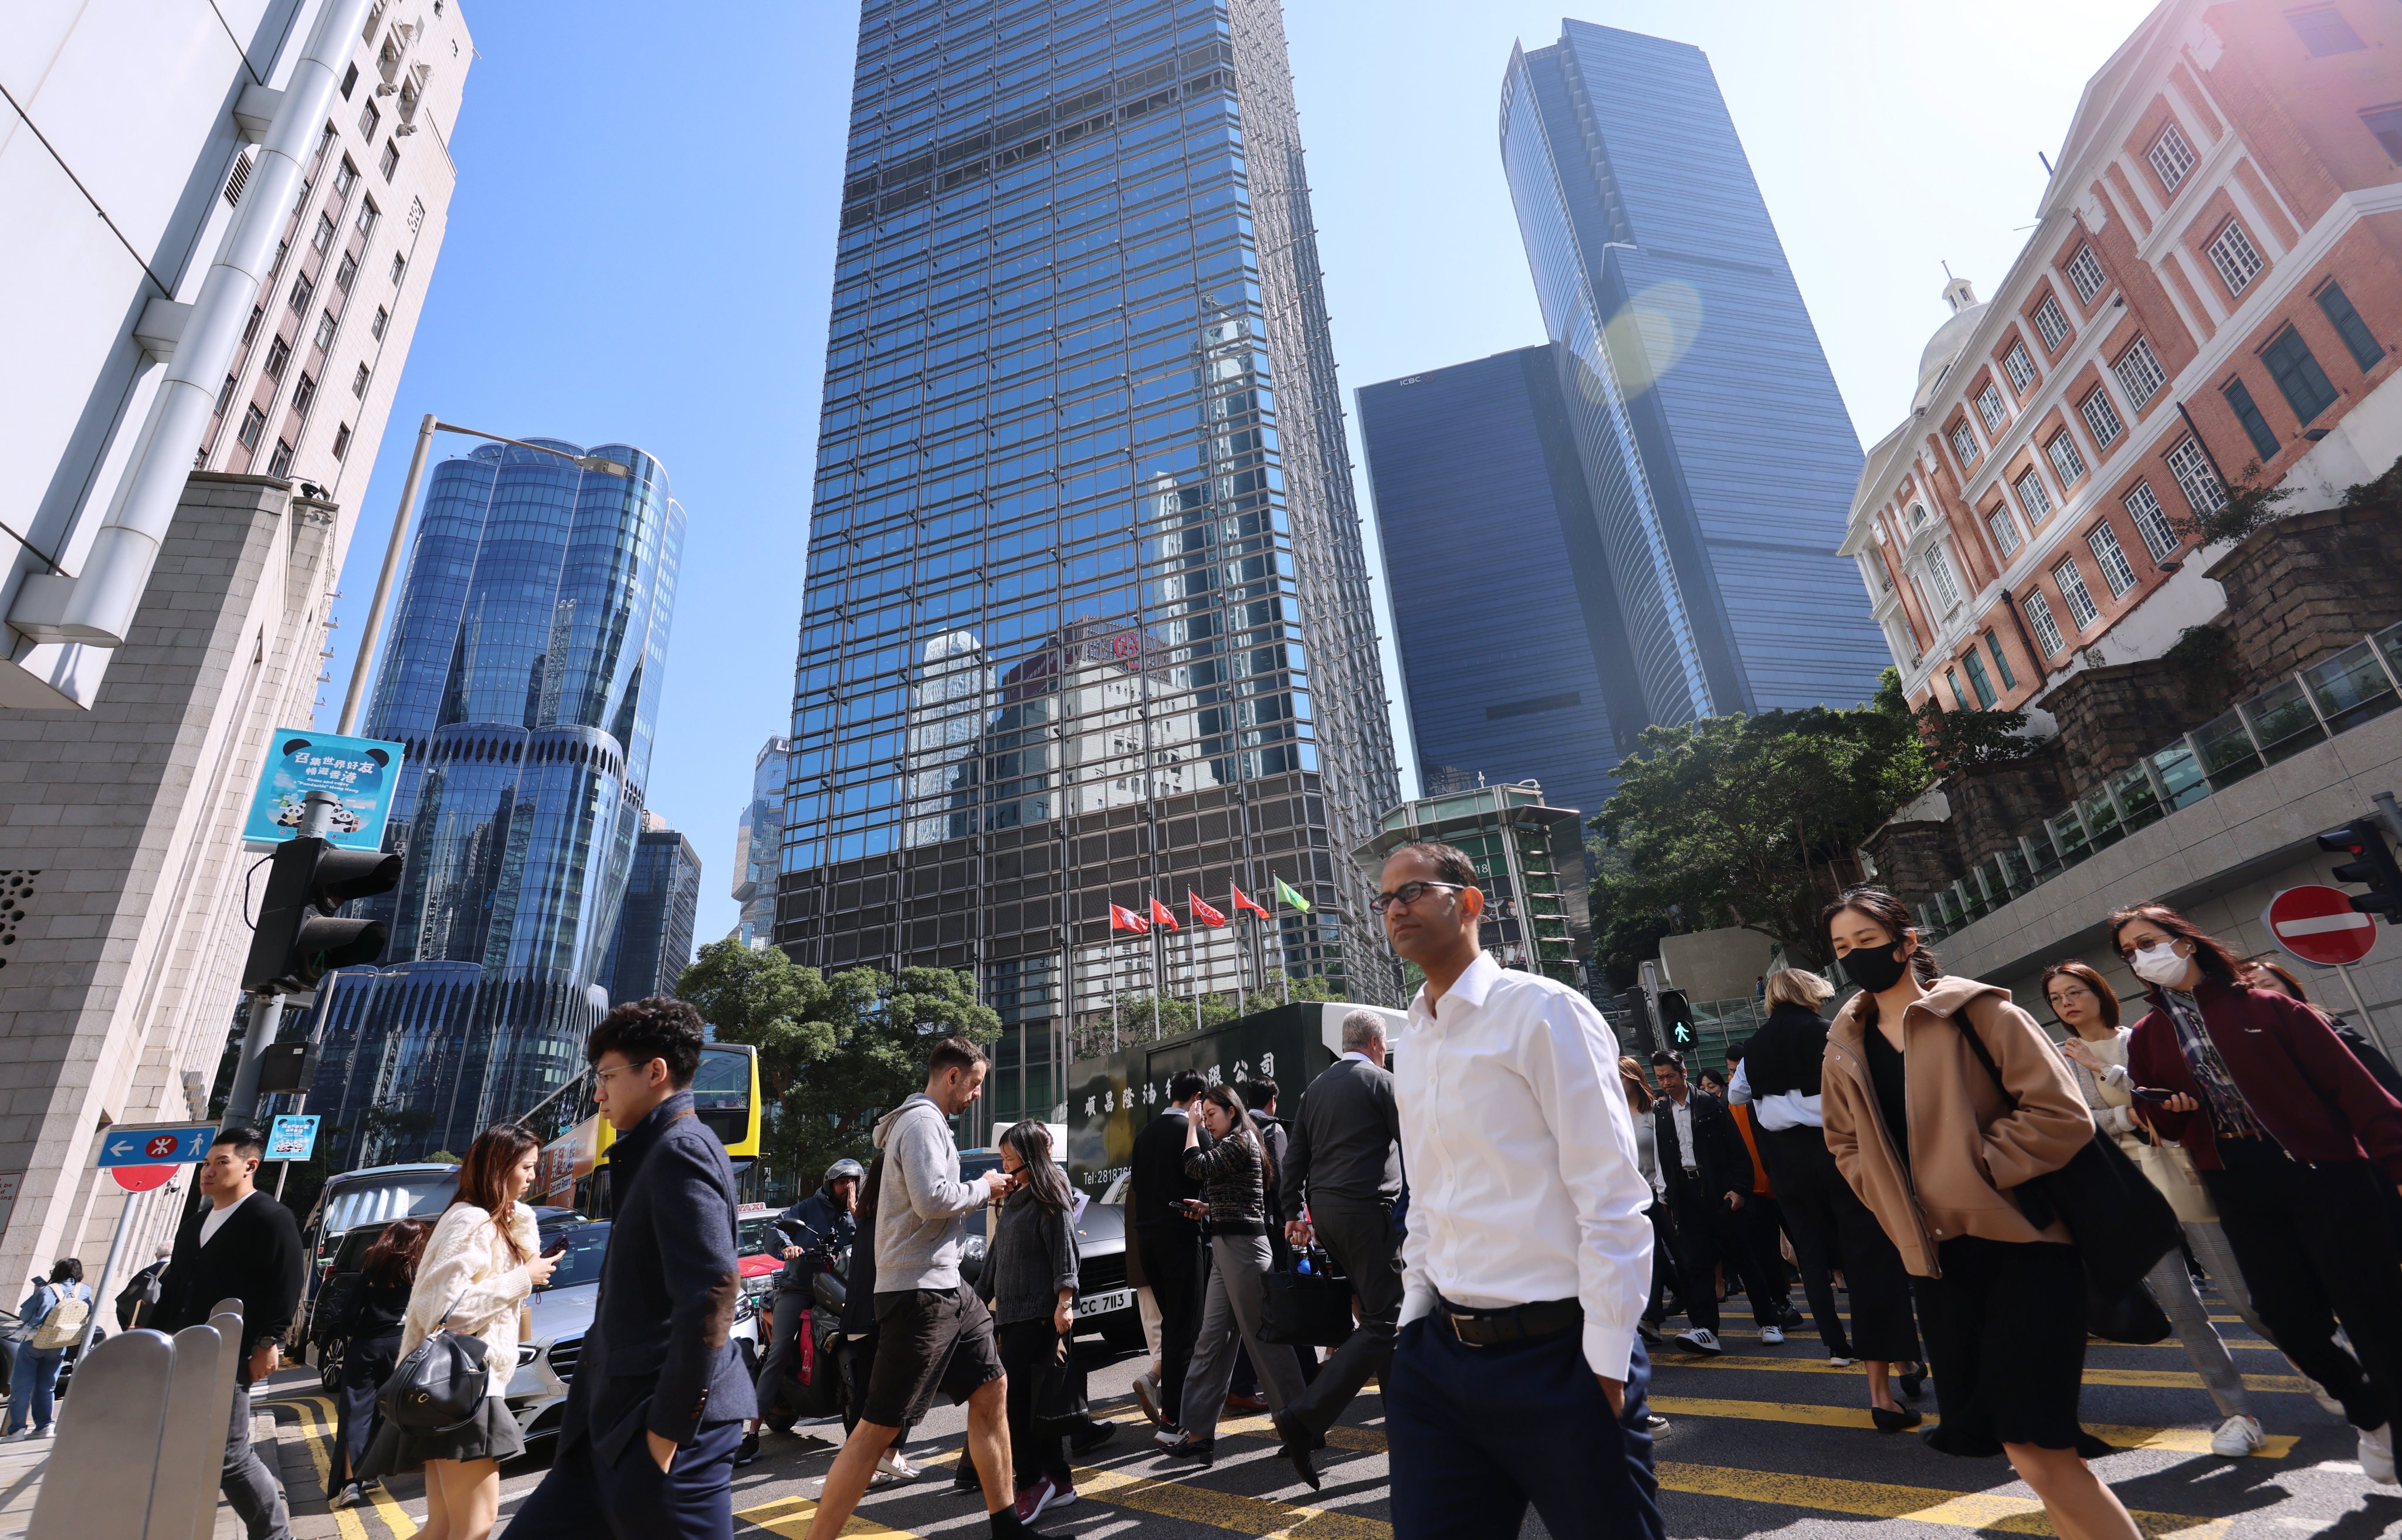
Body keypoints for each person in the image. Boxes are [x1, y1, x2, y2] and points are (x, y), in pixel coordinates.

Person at [1821, 887, 2139, 1540]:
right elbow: (1843, 1142)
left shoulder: (1980, 1010)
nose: (1856, 956)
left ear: (1906, 942)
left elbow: (2060, 1113)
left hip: (2026, 1243)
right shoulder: (1842, 1044)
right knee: (2022, 1449)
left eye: (1867, 941)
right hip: (1938, 1262)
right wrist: (1890, 1193)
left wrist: (1975, 1172)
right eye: (1841, 949)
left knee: (2039, 1440)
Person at [1378, 842, 1663, 1540]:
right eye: (1385, 899)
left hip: (1560, 1356)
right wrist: (1414, 1320)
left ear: (1469, 902)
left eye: (1412, 891)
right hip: (1438, 1360)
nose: (1395, 909)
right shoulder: (1410, 1037)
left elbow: (1612, 1195)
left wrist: (1604, 1356)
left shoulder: (1543, 1012)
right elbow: (1427, 1191)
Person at [2110, 904, 2402, 1486]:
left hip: (2328, 1172)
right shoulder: (2148, 1035)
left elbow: (2356, 1089)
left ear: (2185, 942)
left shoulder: (2266, 1006)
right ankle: (2370, 1412)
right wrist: (2167, 1111)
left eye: (2149, 941)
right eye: (2130, 952)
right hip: (2236, 1180)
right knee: (2284, 1316)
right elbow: (2157, 1123)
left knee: (2376, 1315)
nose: (2143, 957)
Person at [509, 998, 760, 1540]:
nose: (597, 1093)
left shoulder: (680, 1149)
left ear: (655, 1072)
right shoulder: (652, 1149)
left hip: (661, 1430)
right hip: (608, 1426)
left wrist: (665, 1435)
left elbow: (712, 1290)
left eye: (606, 1077)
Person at [804, 1037, 1042, 1540]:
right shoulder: (920, 1123)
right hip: (920, 1295)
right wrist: (988, 1187)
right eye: (975, 1084)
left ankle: (1008, 1529)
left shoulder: (927, 1125)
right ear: (951, 1076)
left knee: (992, 1387)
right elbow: (933, 1199)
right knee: (878, 1430)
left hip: (947, 1285)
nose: (977, 1094)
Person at [2043, 960, 2268, 1458]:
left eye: (2074, 991)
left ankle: (2326, 1367)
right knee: (2182, 1310)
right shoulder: (2059, 1060)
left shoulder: (2139, 1038)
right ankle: (2237, 1413)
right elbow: (2076, 1122)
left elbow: (2168, 1099)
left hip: (2179, 1173)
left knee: (2240, 1295)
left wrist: (2106, 1076)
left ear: (2099, 991)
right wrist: (2127, 1114)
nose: (2067, 1004)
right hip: (2125, 1191)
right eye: (2056, 998)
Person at [1729, 968, 1922, 1427]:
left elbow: (1737, 1094)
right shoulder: (1828, 1032)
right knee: (1868, 1259)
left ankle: (1836, 1344)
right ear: (1809, 994)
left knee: (1810, 1257)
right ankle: (1898, 1367)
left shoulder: (1754, 1046)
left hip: (1788, 1166)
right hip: (1838, 1151)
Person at [371, 1125, 552, 1540]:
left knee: (444, 1529)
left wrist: (522, 1236)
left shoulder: (483, 1219)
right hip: (462, 1389)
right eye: (526, 1167)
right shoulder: (470, 1220)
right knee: (473, 1527)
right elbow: (445, 1311)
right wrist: (522, 1278)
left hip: (457, 1389)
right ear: (499, 1167)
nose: (531, 1178)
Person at [1271, 1008, 1405, 1486]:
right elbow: (1415, 1143)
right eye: (1385, 1046)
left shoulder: (1314, 1089)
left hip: (1325, 1214)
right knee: (1386, 1319)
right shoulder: (1379, 1081)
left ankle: (1405, 1432)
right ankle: (1303, 1416)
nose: (1385, 1053)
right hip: (1367, 1211)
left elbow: (1296, 1161)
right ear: (1373, 1043)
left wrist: (1292, 1214)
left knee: (1380, 1317)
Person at [154, 1126, 306, 1540]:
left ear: (249, 1166)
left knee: (229, 1454)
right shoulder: (195, 1224)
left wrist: (268, 1343)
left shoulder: (269, 1216)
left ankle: (275, 1536)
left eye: (222, 1162)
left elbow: (286, 1283)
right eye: (206, 1163)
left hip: (231, 1352)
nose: (209, 1171)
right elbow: (174, 1289)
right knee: (185, 1449)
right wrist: (154, 1339)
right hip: (183, 1351)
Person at [1158, 1081, 1304, 1463]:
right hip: (1225, 1247)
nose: (1207, 1122)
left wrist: (1190, 1125)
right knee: (1211, 1340)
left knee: (1264, 1342)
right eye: (1203, 1116)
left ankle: (1302, 1426)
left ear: (1232, 1112)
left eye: (1211, 1115)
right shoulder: (1233, 1144)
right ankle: (1198, 1431)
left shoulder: (1239, 1142)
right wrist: (1207, 1210)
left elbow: (1193, 1166)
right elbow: (1237, 1197)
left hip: (1243, 1250)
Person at [978, 1121, 1085, 1522]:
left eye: (1010, 1158)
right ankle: (1057, 1479)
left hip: (1039, 1316)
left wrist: (1065, 1302)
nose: (1005, 1166)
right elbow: (994, 1260)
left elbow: (1065, 1252)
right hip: (1011, 1315)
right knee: (1037, 1404)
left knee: (1018, 1404)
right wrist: (974, 1300)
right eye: (1003, 1158)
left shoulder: (1048, 1193)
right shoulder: (1014, 1200)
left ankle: (1030, 1481)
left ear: (1030, 1157)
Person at [1650, 1050, 1784, 1354]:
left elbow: (1738, 1150)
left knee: (1744, 1259)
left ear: (1683, 1071)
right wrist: (1665, 1196)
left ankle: (1768, 1320)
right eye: (1659, 1077)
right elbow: (1663, 1157)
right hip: (1684, 1194)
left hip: (1719, 1192)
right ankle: (1705, 1329)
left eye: (1670, 1075)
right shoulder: (1660, 1112)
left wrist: (1739, 1189)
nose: (1666, 1082)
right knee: (1696, 1265)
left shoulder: (1710, 1103)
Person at [747, 1158, 864, 1463]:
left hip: (838, 1285)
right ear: (829, 1184)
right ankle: (752, 1433)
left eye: (853, 1182)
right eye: (842, 1182)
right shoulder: (809, 1207)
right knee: (781, 1348)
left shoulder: (857, 1213)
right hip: (799, 1287)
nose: (847, 1188)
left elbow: (875, 1236)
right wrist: (787, 1246)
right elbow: (775, 1227)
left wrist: (856, 1209)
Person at [1126, 1070, 1210, 1438]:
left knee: (1173, 1326)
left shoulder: (1144, 1135)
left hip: (1149, 1244)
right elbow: (1206, 1179)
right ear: (1197, 1097)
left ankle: (1173, 1417)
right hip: (1181, 1238)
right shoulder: (1192, 1133)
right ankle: (1175, 1420)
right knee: (1184, 1330)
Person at [327, 1216, 429, 1508]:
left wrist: (350, 1335)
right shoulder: (420, 1272)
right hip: (402, 1345)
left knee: (356, 1412)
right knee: (392, 1409)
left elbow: (348, 1316)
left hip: (366, 1347)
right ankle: (375, 1470)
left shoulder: (371, 1270)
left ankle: (351, 1484)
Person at [1716, 1044, 1798, 1332]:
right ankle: (1782, 1303)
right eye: (1730, 1072)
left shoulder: (1769, 1090)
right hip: (1755, 1190)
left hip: (1784, 1182)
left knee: (1806, 1248)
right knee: (1766, 1254)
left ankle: (1795, 1301)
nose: (1733, 1078)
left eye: (1736, 1071)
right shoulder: (1729, 1100)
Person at [1621, 1056, 1681, 1352]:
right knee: (1651, 1255)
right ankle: (1651, 1318)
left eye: (1620, 1077)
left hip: (1660, 1194)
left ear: (1634, 1079)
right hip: (1632, 1199)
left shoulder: (1654, 1113)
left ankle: (1657, 1314)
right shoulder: (1612, 1115)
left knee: (1669, 1253)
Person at [5, 1259, 90, 1440]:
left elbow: (25, 1315)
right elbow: (87, 1311)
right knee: (48, 1386)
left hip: (35, 1342)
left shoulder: (47, 1290)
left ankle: (17, 1430)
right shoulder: (84, 1291)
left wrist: (37, 1294)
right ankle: (45, 1426)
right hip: (60, 1343)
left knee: (22, 1386)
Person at [114, 1243, 174, 1331]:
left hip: (138, 1331)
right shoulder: (177, 1273)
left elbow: (123, 1303)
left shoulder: (143, 1273)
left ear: (156, 1255)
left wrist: (126, 1328)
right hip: (163, 1331)